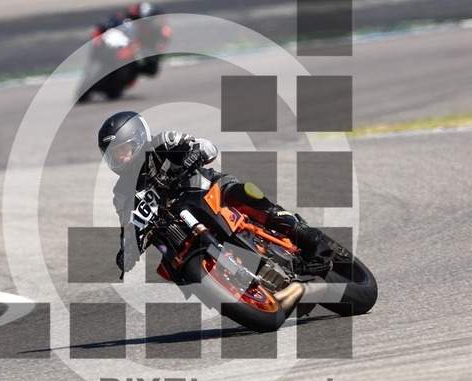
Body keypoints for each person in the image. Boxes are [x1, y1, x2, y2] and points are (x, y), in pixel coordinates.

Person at [98, 111, 331, 315]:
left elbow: (205, 146)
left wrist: (195, 152)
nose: (120, 158)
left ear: (138, 139)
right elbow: (129, 225)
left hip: (207, 190)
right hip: (175, 224)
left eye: (123, 150)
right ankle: (235, 289)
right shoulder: (122, 192)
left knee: (246, 195)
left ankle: (308, 236)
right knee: (169, 262)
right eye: (113, 155)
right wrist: (127, 250)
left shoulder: (163, 143)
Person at [91, 2, 172, 77]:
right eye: (138, 19)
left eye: (144, 22)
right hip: (120, 48)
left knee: (151, 68)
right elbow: (107, 24)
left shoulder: (160, 32)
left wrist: (136, 51)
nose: (139, 23)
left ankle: (129, 77)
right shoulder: (127, 21)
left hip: (140, 54)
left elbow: (155, 57)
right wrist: (99, 35)